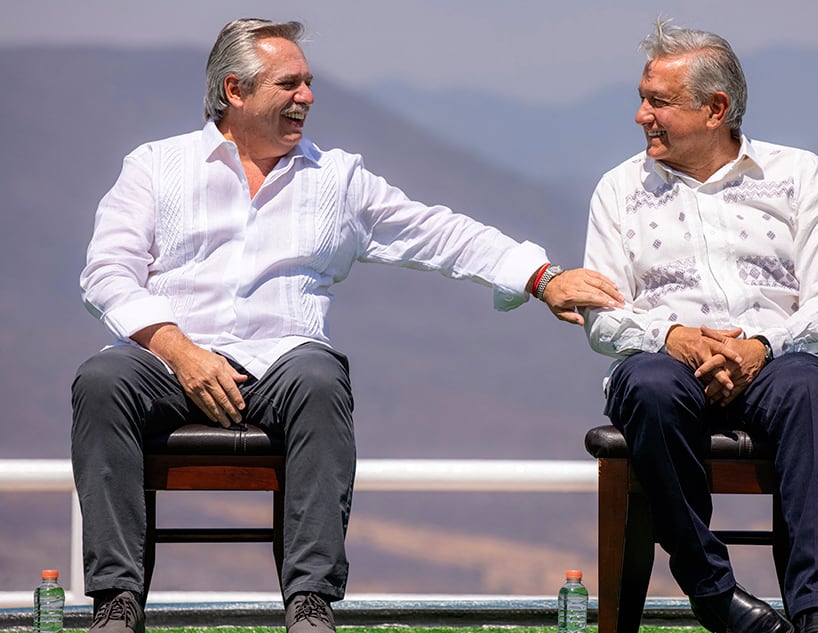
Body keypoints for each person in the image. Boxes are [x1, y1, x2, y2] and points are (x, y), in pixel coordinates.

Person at [70, 17, 623, 633]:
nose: (307, 96)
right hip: (166, 361)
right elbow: (107, 273)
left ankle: (310, 602)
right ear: (235, 91)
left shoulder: (336, 179)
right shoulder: (155, 167)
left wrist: (540, 277)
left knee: (320, 379)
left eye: (308, 82)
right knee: (101, 380)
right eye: (289, 84)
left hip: (283, 364)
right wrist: (177, 348)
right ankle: (116, 601)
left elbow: (437, 232)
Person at [581, 19, 818, 633]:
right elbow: (602, 318)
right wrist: (672, 339)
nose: (641, 116)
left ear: (716, 109)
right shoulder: (618, 190)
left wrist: (761, 346)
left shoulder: (800, 175)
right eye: (642, 98)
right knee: (648, 385)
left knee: (811, 390)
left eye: (658, 102)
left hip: (776, 361)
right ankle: (712, 593)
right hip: (664, 364)